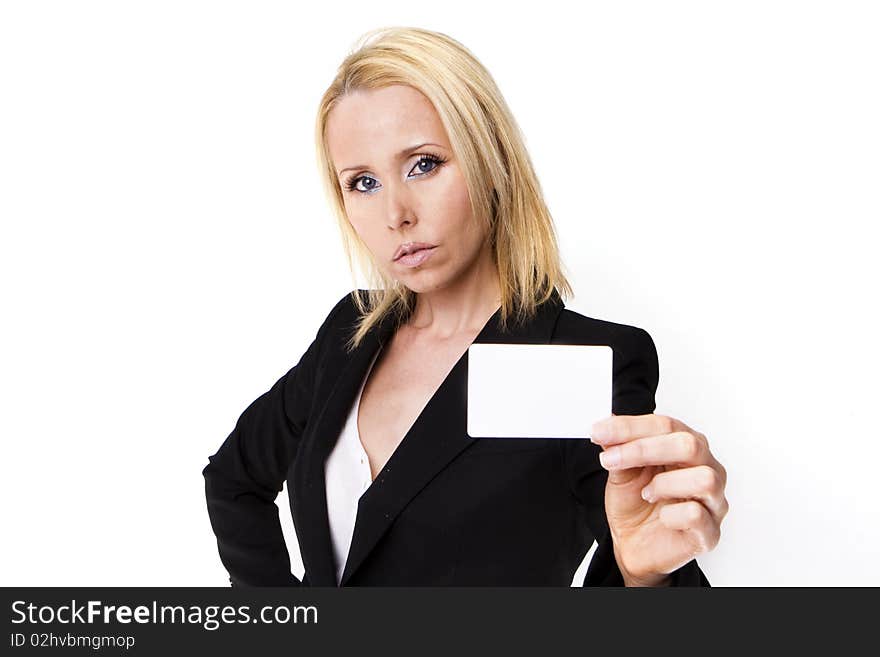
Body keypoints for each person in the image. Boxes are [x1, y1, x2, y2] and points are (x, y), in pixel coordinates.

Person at [202, 26, 728, 587]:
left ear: (490, 158)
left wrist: (642, 575)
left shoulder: (584, 359)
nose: (395, 214)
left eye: (423, 164)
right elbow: (233, 479)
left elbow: (636, 540)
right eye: (362, 182)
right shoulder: (349, 331)